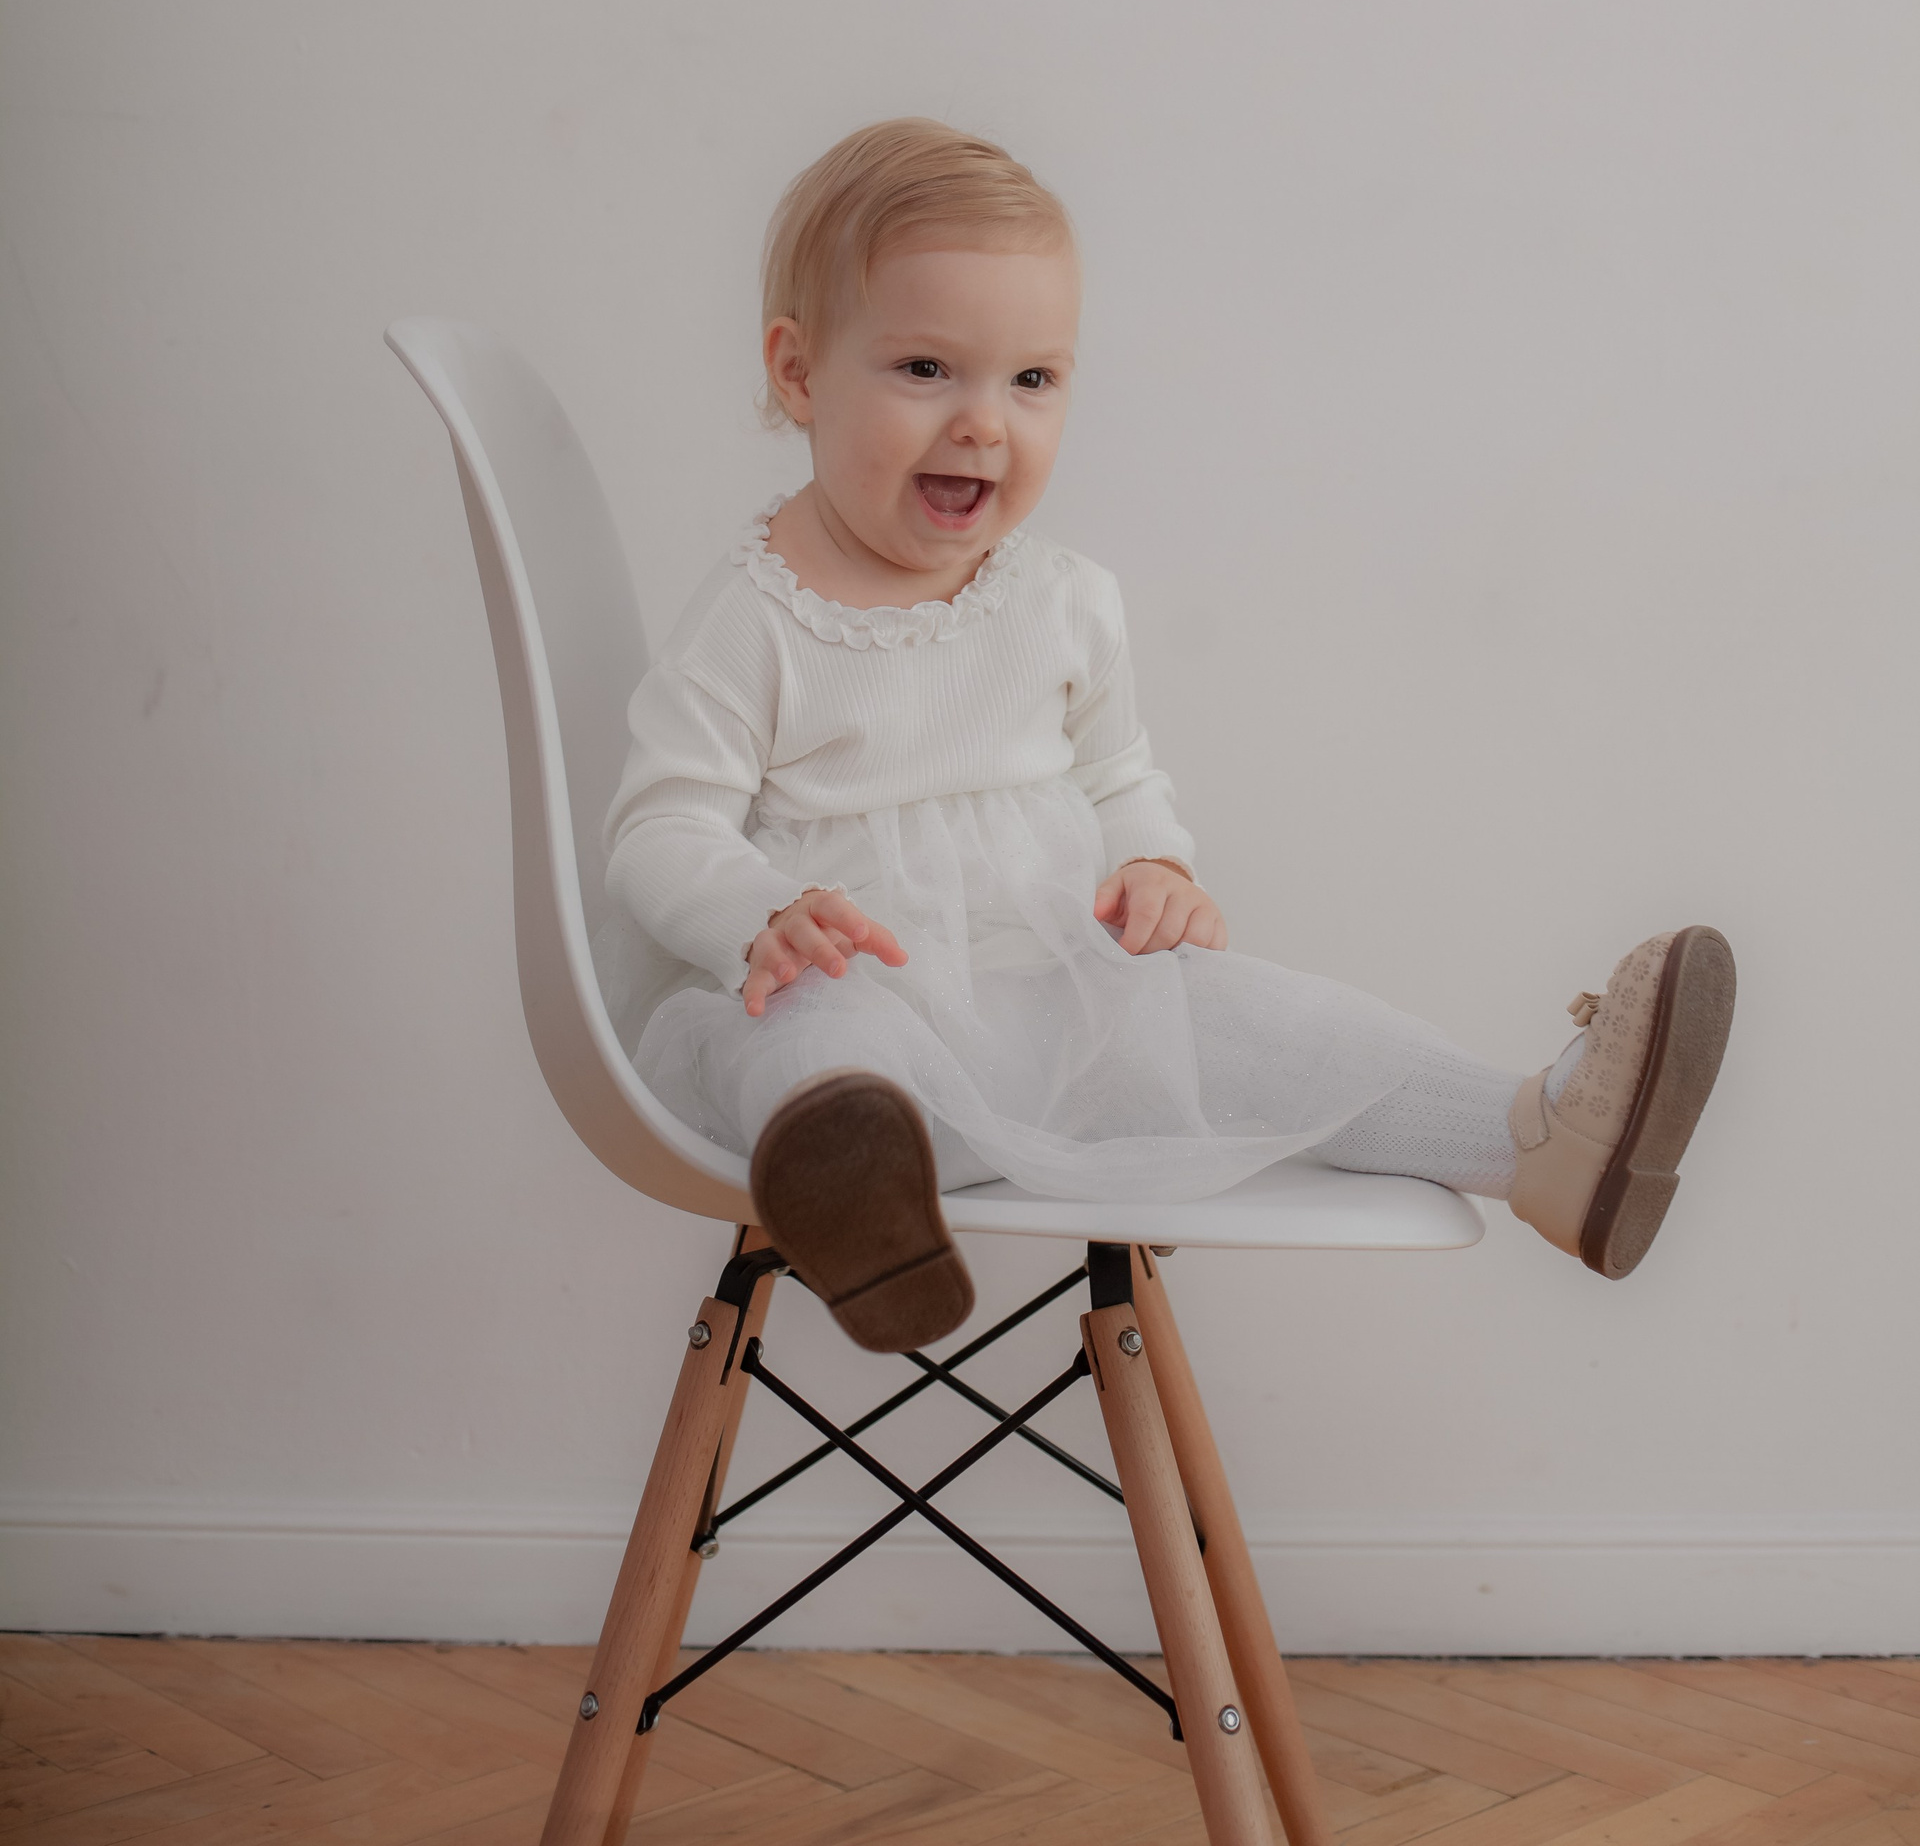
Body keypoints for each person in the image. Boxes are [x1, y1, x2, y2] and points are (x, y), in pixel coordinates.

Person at [603, 120, 1735, 1352]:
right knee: (801, 1039)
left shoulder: (1062, 602)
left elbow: (1117, 773)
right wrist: (761, 914)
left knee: (1262, 1021)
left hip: (1058, 1010)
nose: (985, 423)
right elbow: (662, 828)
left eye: (1032, 380)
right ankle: (862, 1196)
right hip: (872, 1019)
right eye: (926, 368)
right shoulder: (753, 621)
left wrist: (1154, 863)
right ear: (800, 372)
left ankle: (1534, 1138)